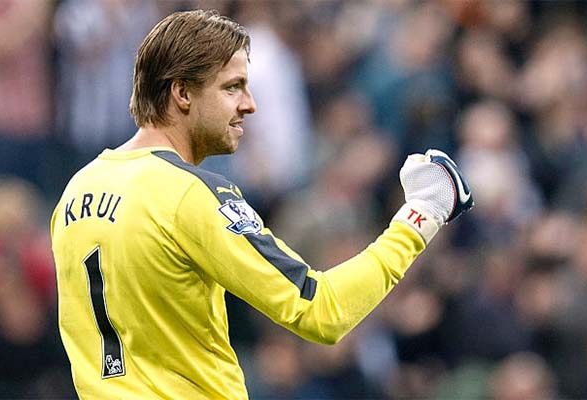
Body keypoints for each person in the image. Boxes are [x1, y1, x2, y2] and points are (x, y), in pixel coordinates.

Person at [50, 9, 473, 399]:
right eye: (232, 87)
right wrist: (423, 213)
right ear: (182, 93)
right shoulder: (187, 194)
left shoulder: (77, 189)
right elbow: (321, 311)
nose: (249, 104)